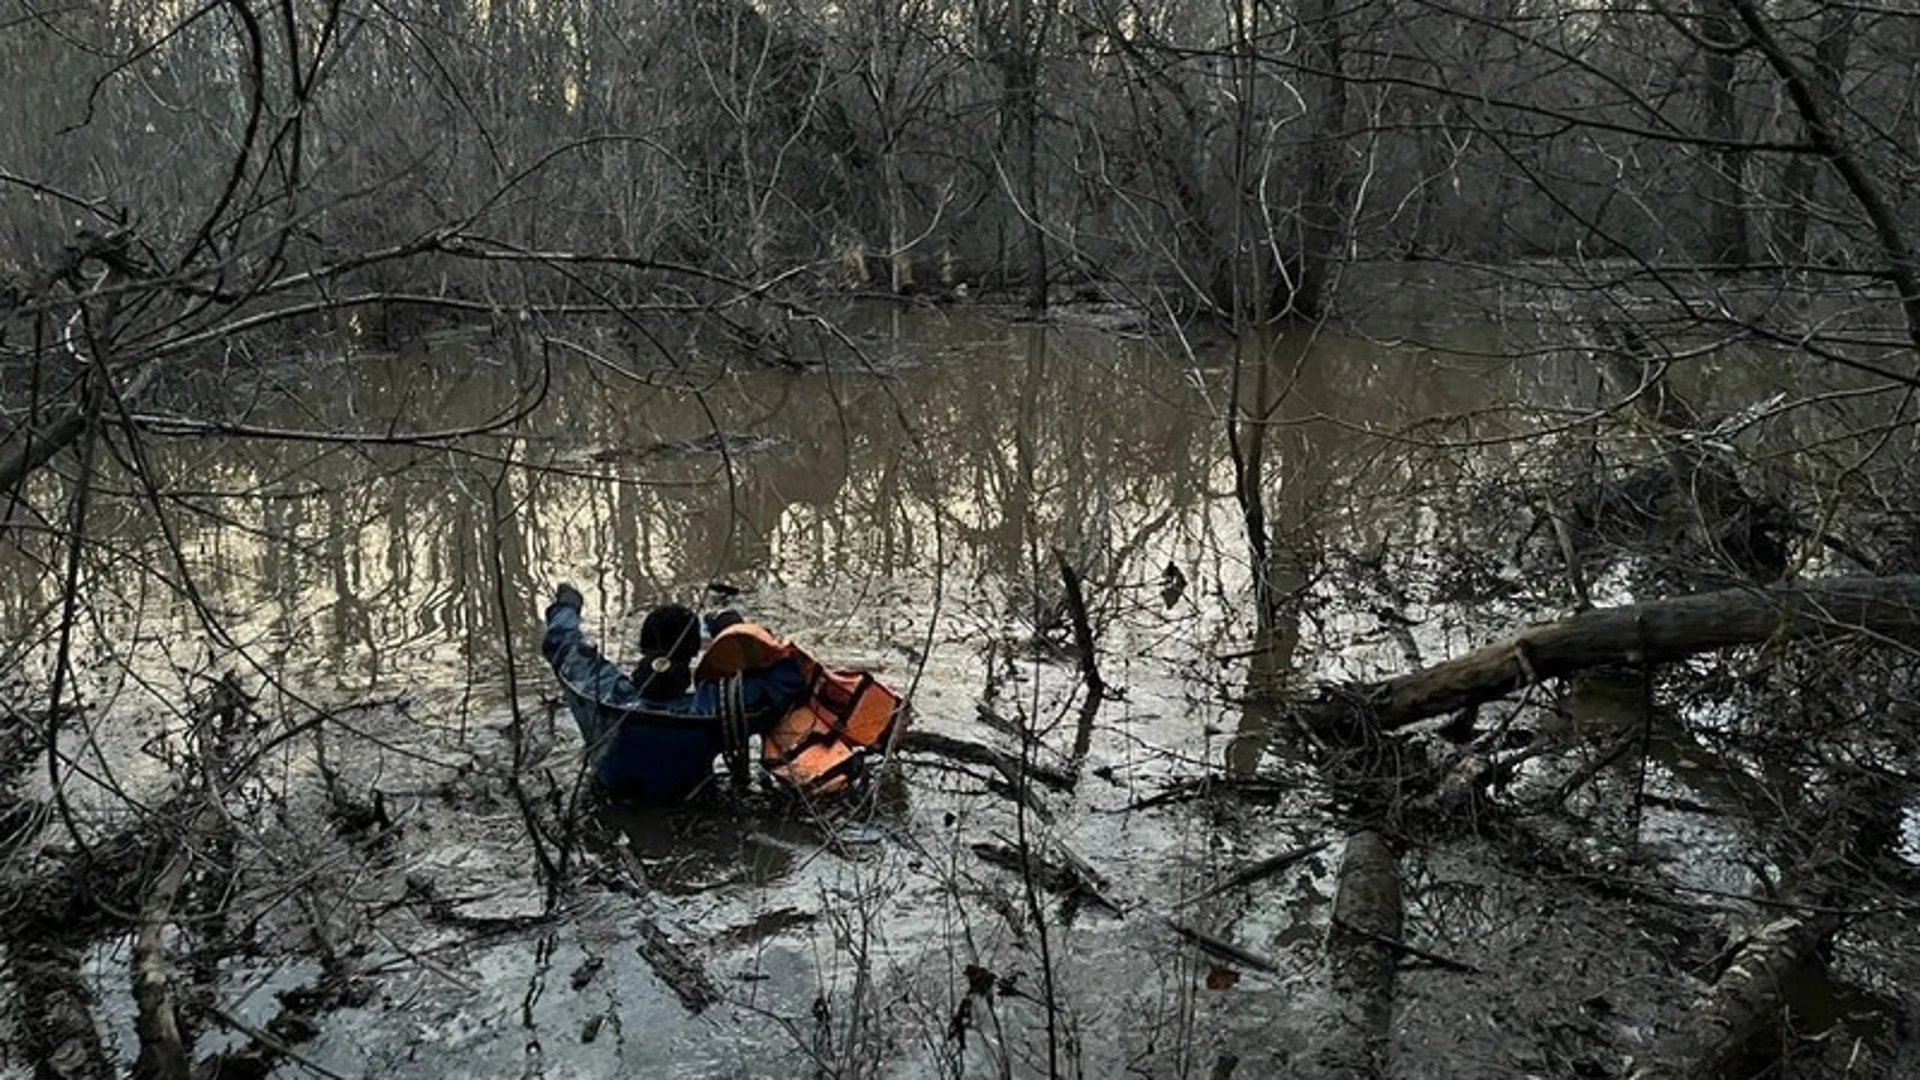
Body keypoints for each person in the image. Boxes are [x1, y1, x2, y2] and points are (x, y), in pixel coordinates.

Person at [541, 583, 804, 803]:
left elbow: (562, 642)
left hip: (610, 802)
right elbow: (790, 676)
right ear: (692, 655)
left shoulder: (598, 692)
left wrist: (567, 605)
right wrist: (733, 632)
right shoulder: (715, 709)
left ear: (642, 647)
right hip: (692, 810)